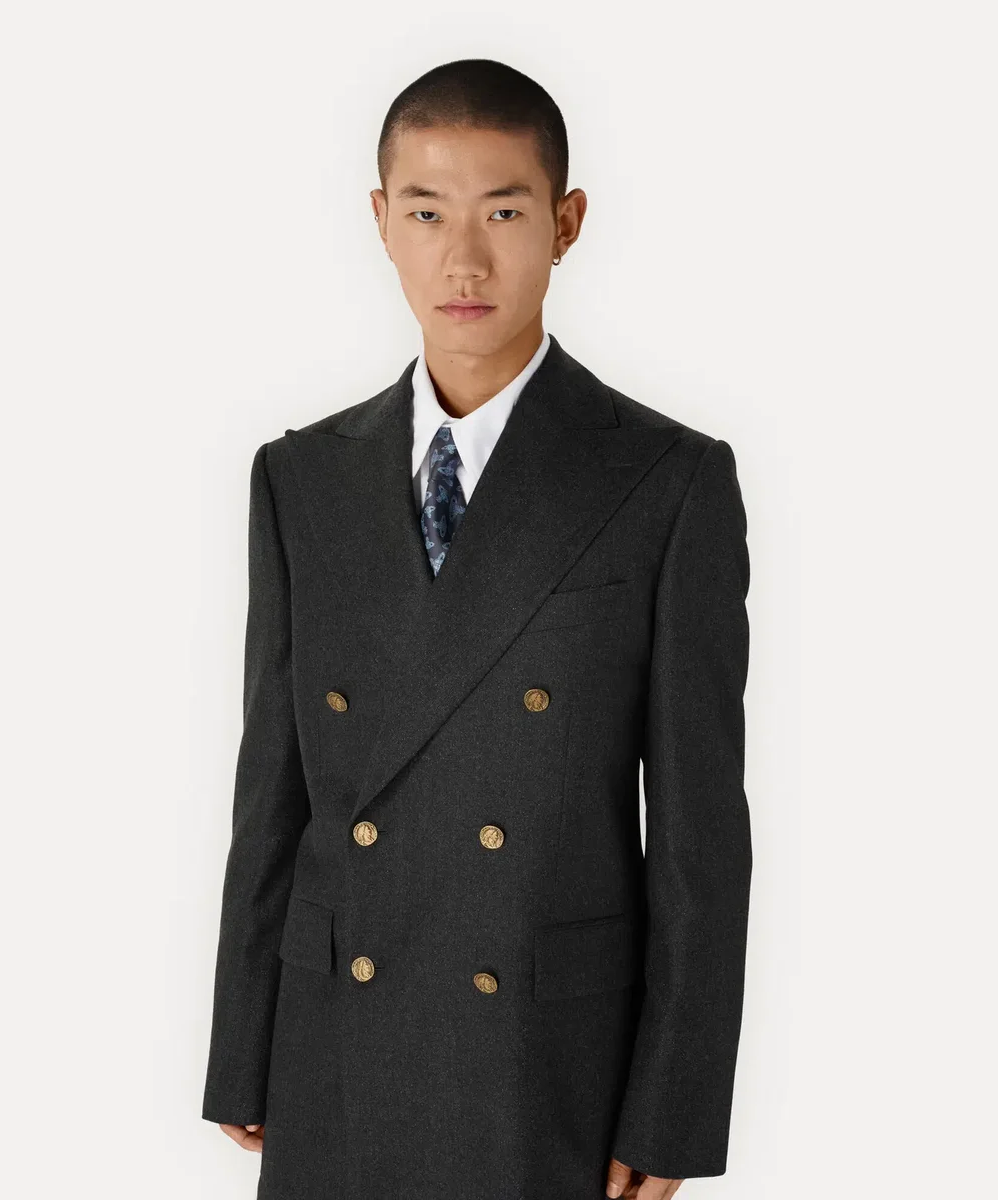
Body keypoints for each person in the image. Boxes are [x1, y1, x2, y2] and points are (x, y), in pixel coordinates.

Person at [202, 57, 752, 1200]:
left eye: (501, 213)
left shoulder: (665, 483)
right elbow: (272, 791)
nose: (462, 260)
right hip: (334, 1047)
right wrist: (241, 1045)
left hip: (544, 1064)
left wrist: (673, 1108)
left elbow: (698, 838)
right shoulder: (298, 480)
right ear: (379, 222)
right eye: (425, 213)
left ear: (565, 223)